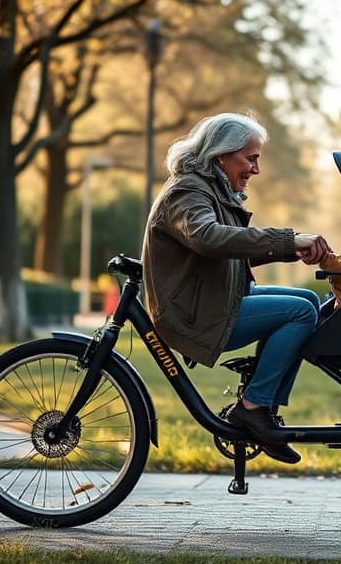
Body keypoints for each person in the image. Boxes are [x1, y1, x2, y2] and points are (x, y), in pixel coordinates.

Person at [141, 112, 331, 464]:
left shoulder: (209, 188)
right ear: (221, 156)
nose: (256, 170)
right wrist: (288, 240)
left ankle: (263, 410)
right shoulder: (188, 191)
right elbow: (209, 239)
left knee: (308, 300)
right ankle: (254, 407)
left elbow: (226, 254)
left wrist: (291, 250)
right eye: (251, 159)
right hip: (196, 316)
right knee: (301, 311)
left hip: (214, 301)